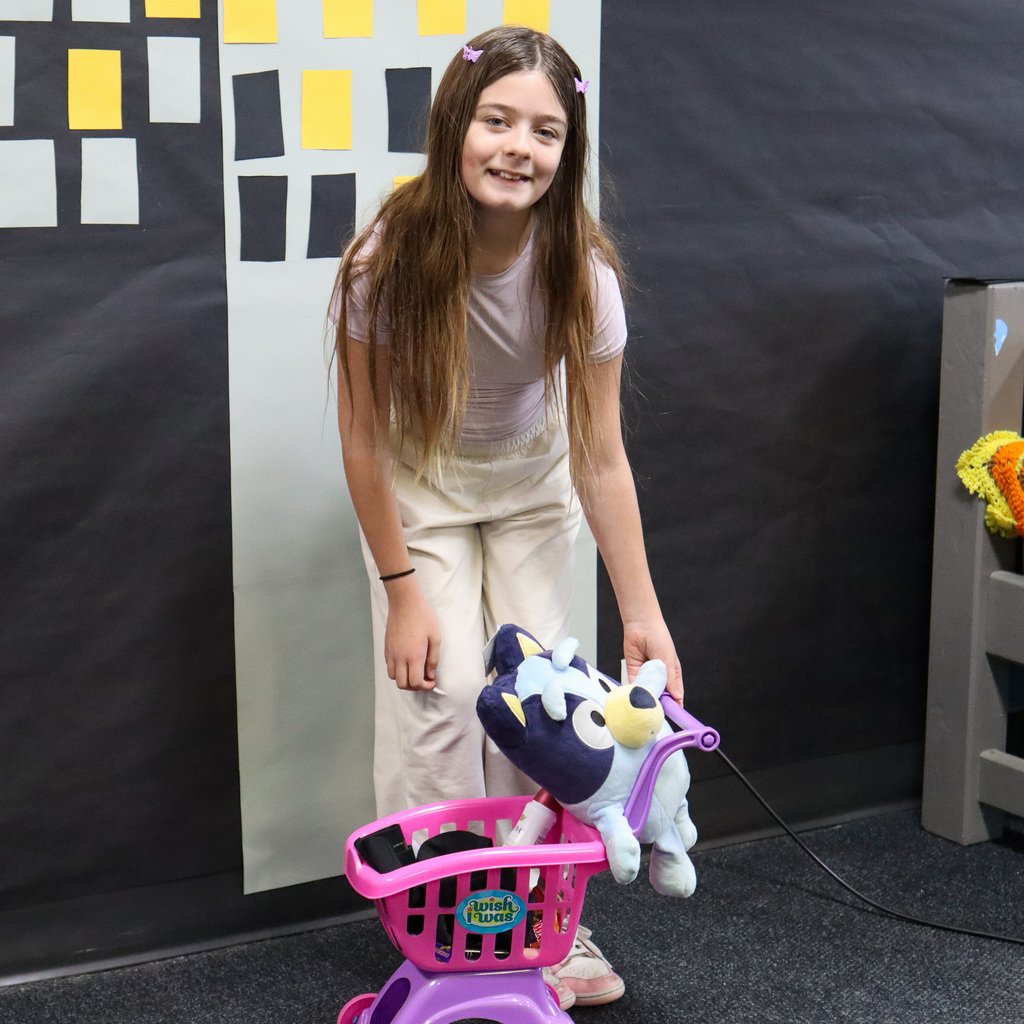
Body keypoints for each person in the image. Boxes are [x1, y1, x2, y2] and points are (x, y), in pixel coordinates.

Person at [331, 25, 683, 1009]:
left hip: (533, 492)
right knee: (434, 703)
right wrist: (403, 592)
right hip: (424, 491)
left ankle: (541, 926)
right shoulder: (383, 265)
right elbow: (362, 441)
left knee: (540, 722)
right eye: (496, 120)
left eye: (544, 130)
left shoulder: (583, 277)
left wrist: (642, 612)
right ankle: (445, 924)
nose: (516, 147)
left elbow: (602, 456)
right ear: (455, 128)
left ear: (565, 154)